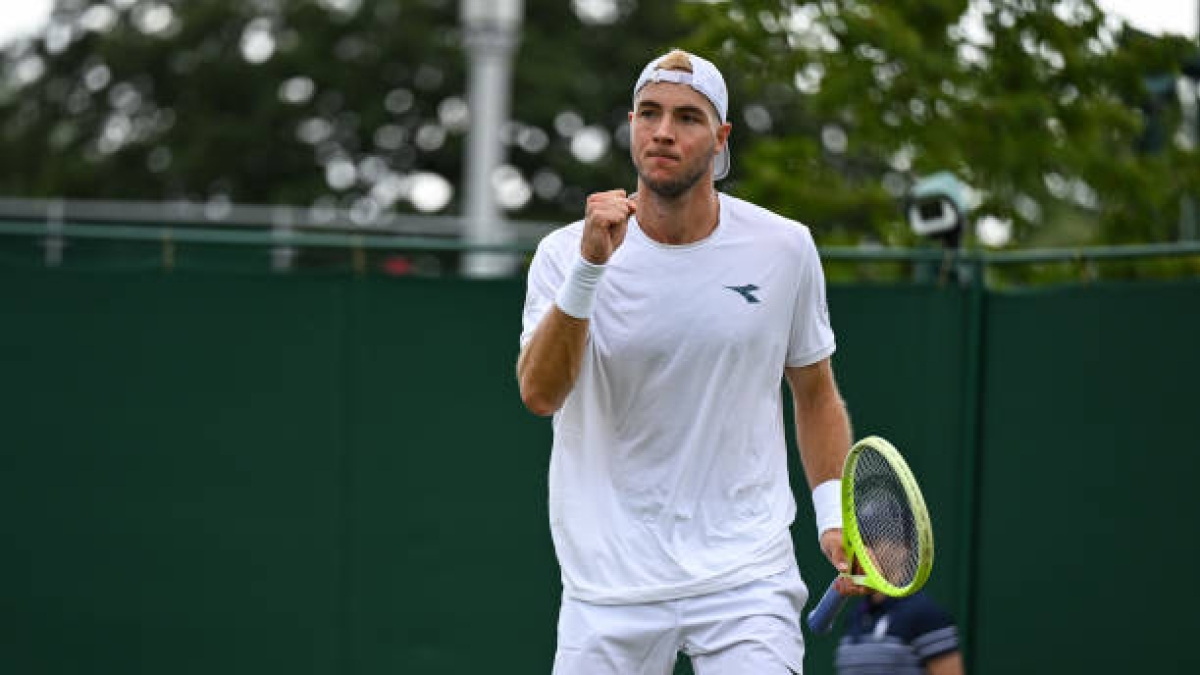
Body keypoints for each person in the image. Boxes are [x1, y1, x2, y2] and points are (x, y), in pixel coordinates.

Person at [517, 48, 863, 674]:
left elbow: (814, 392)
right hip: (609, 586)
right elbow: (541, 394)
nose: (664, 132)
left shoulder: (785, 248)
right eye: (648, 114)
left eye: (687, 117)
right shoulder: (564, 254)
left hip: (745, 575)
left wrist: (834, 518)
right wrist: (590, 270)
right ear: (630, 125)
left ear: (720, 137)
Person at [835, 591, 963, 675]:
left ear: (902, 551)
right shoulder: (855, 616)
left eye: (871, 548)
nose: (862, 554)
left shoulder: (926, 614)